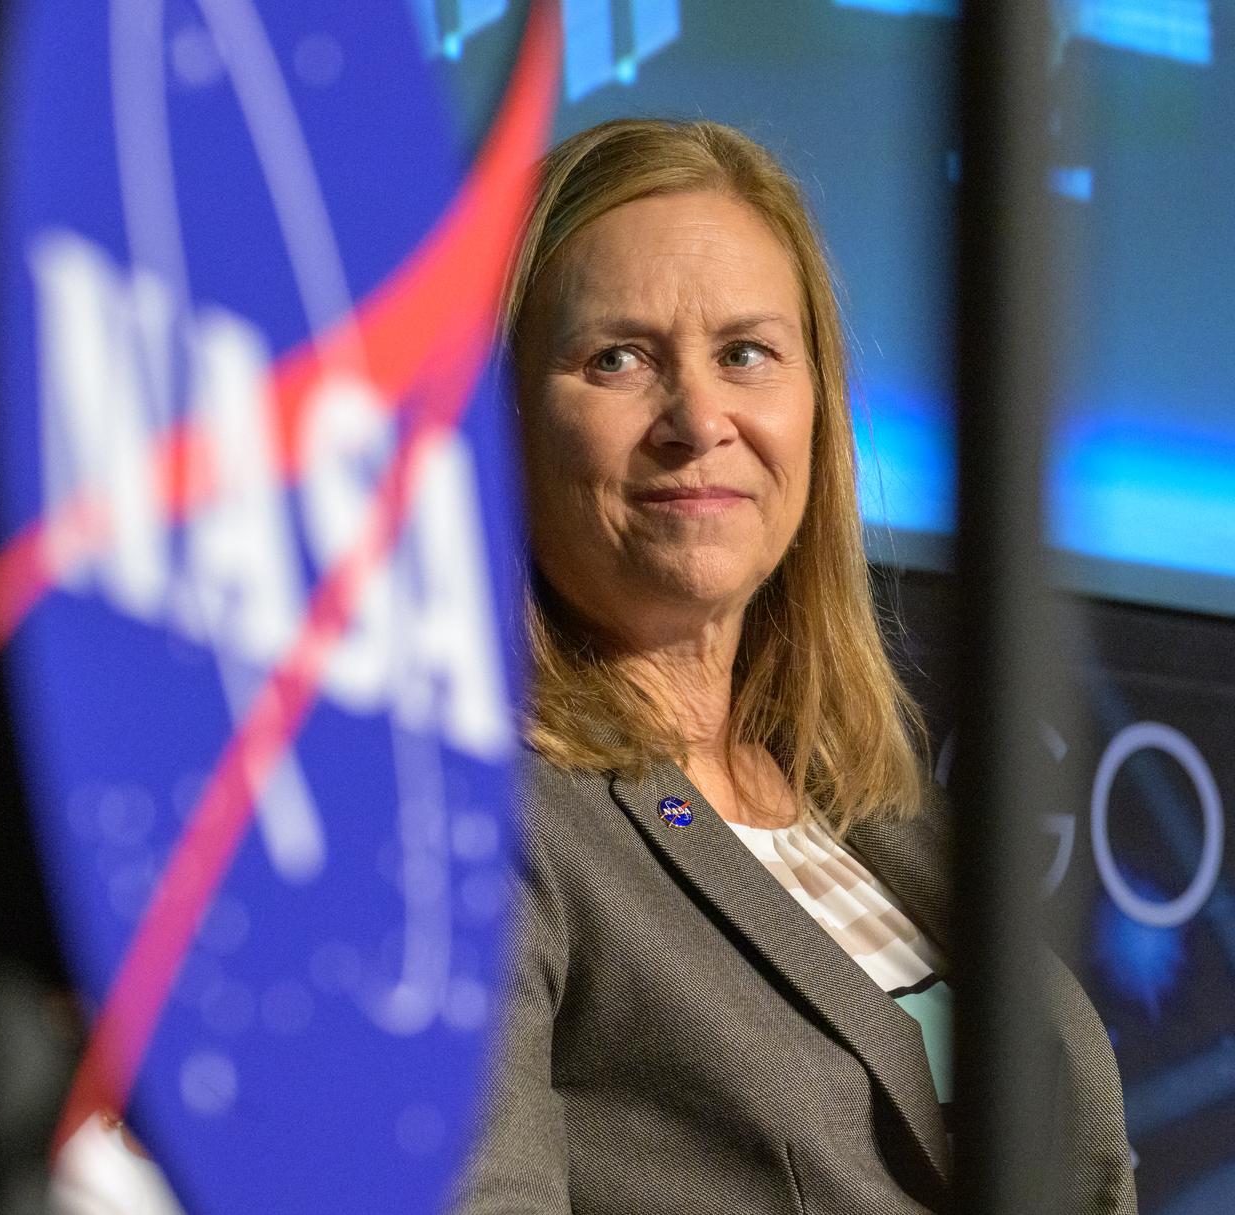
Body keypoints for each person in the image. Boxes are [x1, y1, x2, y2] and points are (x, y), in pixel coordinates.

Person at [454, 118, 1136, 1215]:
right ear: (500, 422)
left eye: (745, 354)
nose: (697, 419)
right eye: (617, 358)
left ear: (815, 407)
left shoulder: (877, 811)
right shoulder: (474, 822)